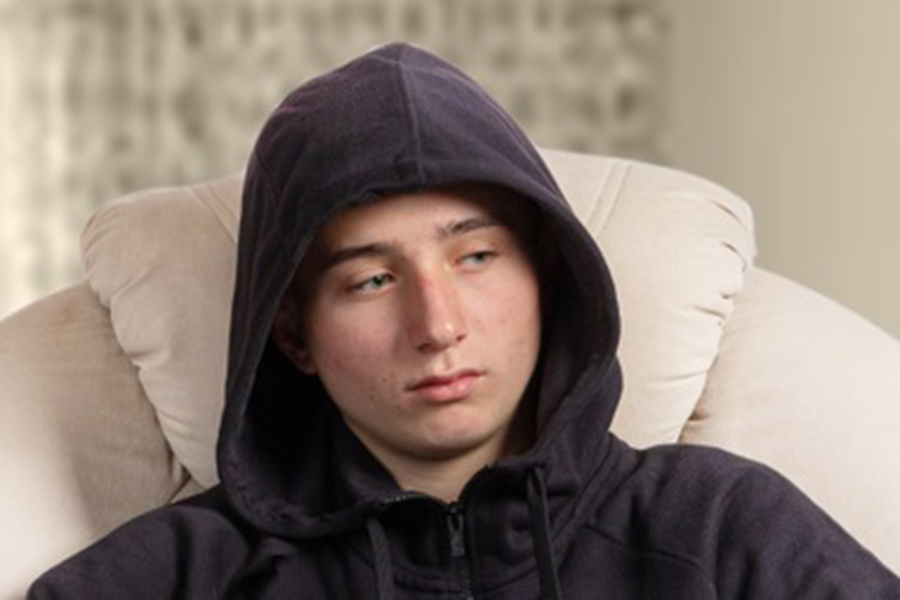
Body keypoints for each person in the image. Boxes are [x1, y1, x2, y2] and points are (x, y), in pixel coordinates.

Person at [29, 42, 900, 599]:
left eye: (475, 257)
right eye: (370, 280)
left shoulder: (717, 525)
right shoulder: (187, 572)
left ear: (546, 277)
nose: (436, 324)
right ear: (294, 334)